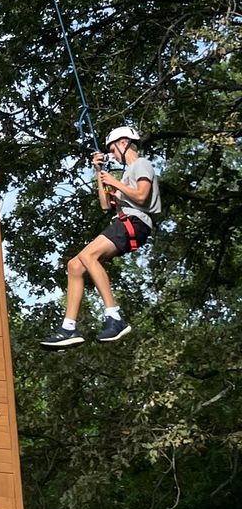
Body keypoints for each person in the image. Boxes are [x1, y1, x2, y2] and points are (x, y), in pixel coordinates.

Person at [41, 123, 160, 348]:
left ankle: (114, 316)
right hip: (124, 221)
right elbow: (106, 204)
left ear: (124, 144)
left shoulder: (141, 165)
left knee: (89, 256)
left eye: (113, 150)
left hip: (135, 222)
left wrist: (114, 182)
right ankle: (68, 327)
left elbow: (143, 197)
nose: (113, 155)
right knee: (75, 265)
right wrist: (99, 174)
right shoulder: (125, 177)